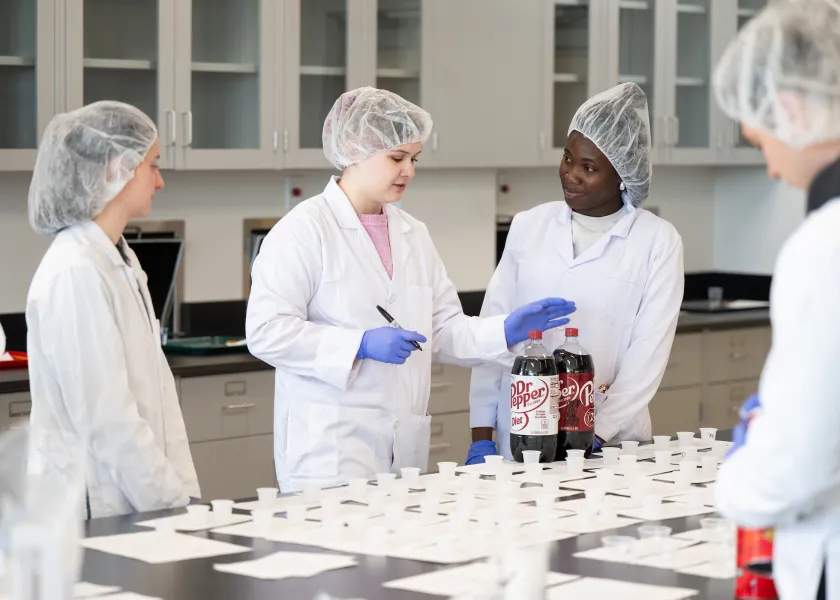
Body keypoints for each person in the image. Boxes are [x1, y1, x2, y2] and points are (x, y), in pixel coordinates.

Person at [246, 87, 576, 492]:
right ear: (355, 149)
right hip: (329, 450)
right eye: (397, 158)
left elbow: (442, 330)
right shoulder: (302, 231)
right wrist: (358, 344)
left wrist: (504, 330)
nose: (409, 171)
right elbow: (266, 332)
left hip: (403, 450)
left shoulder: (413, 234)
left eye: (413, 159)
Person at [467, 82, 684, 464]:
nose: (571, 175)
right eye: (568, 158)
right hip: (521, 435)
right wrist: (481, 435)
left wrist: (595, 433)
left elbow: (648, 355)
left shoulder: (657, 241)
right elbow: (494, 332)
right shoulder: (528, 225)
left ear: (623, 174)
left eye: (589, 168)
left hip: (610, 444)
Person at [712, 2, 840, 598]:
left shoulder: (823, 246)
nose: (769, 167)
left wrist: (739, 476)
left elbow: (796, 464)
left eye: (760, 138)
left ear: (791, 108)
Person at [26, 101, 199, 519]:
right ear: (115, 169)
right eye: (152, 165)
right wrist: (168, 502)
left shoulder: (117, 259)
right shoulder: (75, 271)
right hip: (92, 503)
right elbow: (106, 416)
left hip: (133, 497)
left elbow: (152, 399)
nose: (160, 181)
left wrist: (181, 495)